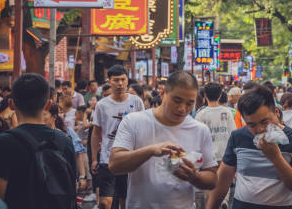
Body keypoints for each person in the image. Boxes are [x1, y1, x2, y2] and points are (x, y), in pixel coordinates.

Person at [109, 72, 218, 208]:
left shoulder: (200, 130)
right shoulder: (134, 121)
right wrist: (150, 150)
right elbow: (114, 165)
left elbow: (212, 179)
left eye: (190, 103)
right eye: (177, 100)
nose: (183, 108)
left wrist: (194, 176)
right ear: (163, 93)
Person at [207, 85, 292, 209]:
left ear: (277, 113)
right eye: (251, 124)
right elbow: (222, 181)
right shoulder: (238, 137)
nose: (259, 129)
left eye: (264, 121)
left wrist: (276, 158)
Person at [0, 73, 77, 209]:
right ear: (48, 105)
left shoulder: (2, 142)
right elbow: (72, 187)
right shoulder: (64, 140)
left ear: (11, 104)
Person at [91, 64, 145, 209]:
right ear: (109, 81)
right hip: (107, 158)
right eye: (116, 80)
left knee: (125, 201)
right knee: (104, 202)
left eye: (122, 79)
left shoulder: (136, 102)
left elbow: (143, 128)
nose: (120, 83)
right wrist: (95, 158)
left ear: (127, 80)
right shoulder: (102, 105)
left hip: (129, 157)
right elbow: (96, 132)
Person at [44, 104, 89, 192]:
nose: (41, 117)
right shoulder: (37, 134)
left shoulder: (68, 132)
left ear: (54, 116)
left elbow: (79, 154)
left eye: (44, 114)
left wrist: (82, 176)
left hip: (65, 179)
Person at [195, 82, 237, 165]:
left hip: (208, 158)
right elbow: (233, 133)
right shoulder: (227, 112)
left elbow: (197, 138)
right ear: (220, 95)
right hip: (225, 156)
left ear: (205, 96)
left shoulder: (200, 114)